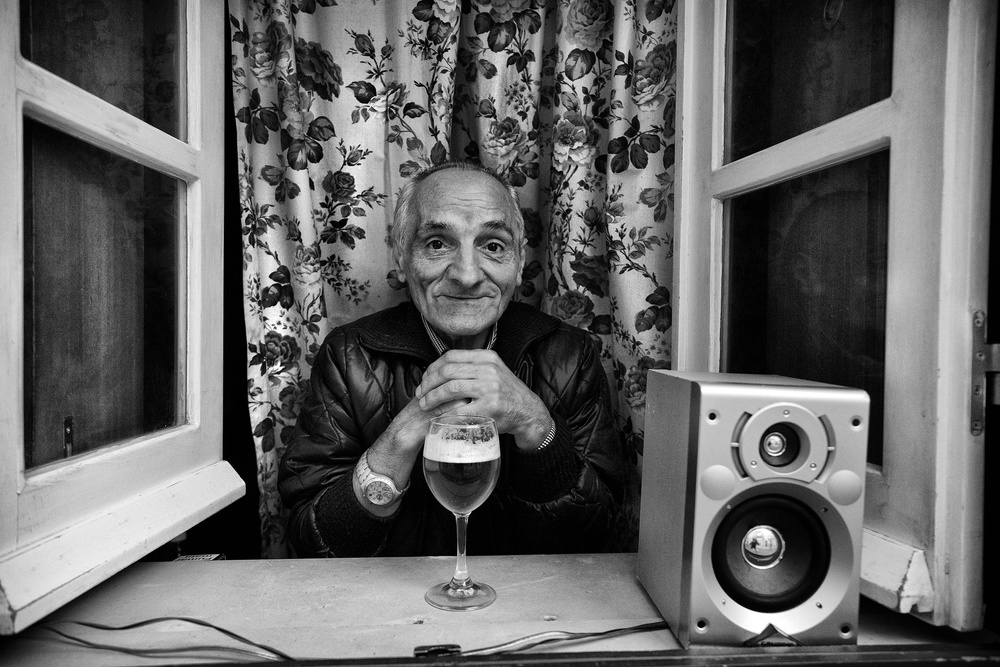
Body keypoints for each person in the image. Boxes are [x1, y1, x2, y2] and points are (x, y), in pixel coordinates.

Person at [278, 161, 624, 558]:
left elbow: (598, 538)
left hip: (530, 593)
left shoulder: (569, 355)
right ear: (402, 258)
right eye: (437, 244)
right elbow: (311, 542)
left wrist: (534, 423)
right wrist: (402, 434)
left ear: (518, 262)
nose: (467, 275)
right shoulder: (347, 356)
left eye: (493, 246)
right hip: (390, 593)